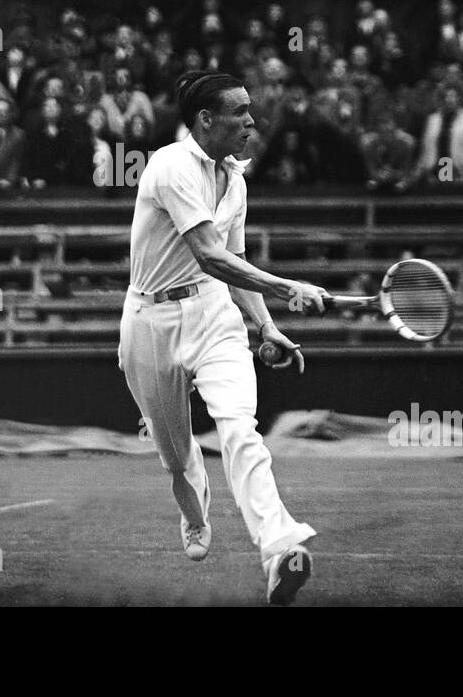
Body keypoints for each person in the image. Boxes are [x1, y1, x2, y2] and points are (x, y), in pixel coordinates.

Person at [118, 70, 327, 605]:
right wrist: (288, 288)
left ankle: (280, 549)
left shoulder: (236, 179)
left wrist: (266, 324)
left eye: (250, 109)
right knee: (176, 455)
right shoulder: (169, 166)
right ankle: (194, 516)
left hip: (213, 316)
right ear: (205, 120)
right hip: (150, 321)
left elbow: (231, 266)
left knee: (240, 427)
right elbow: (210, 253)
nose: (252, 121)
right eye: (239, 111)